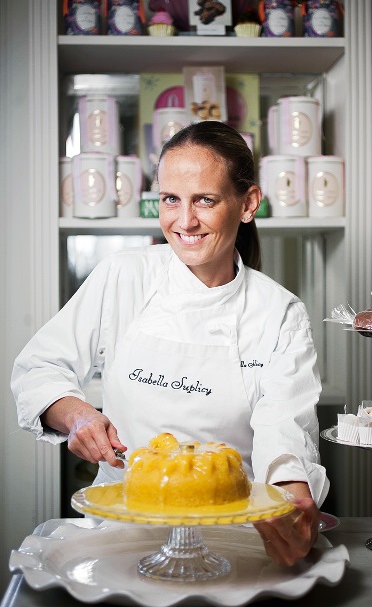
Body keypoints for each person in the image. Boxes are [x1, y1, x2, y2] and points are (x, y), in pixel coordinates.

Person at [11, 121, 329, 567]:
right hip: (122, 530)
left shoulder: (279, 312)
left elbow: (285, 428)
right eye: (170, 200)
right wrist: (78, 415)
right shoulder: (123, 275)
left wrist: (292, 498)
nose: (184, 221)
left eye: (205, 199)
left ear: (248, 203)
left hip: (235, 535)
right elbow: (40, 367)